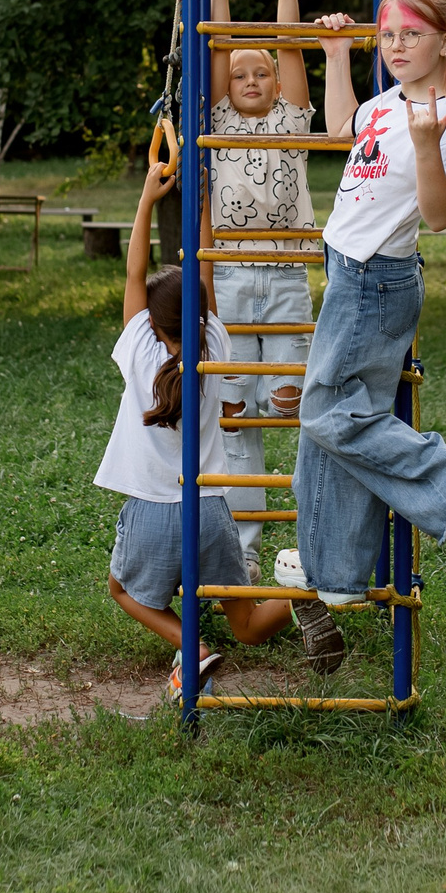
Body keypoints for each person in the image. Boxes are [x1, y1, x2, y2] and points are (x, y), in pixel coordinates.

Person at [288, 0, 446, 607]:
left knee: (326, 413)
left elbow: (439, 217)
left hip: (373, 280)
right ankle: (334, 571)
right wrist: (336, 56)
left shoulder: (445, 117)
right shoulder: (385, 103)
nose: (396, 45)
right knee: (334, 430)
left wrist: (423, 147)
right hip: (349, 272)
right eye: (387, 35)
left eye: (410, 34)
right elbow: (339, 129)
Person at [99, 161, 326, 695]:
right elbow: (204, 271)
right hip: (211, 510)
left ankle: (192, 647)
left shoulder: (137, 349)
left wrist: (146, 202)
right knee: (245, 625)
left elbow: (134, 276)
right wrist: (202, 207)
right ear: (201, 317)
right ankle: (304, 594)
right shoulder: (215, 346)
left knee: (123, 590)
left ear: (152, 325)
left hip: (153, 511)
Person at [205, 0, 316, 555]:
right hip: (229, 278)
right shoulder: (218, 119)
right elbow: (219, 43)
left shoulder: (292, 120)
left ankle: (308, 539)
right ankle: (244, 550)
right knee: (236, 421)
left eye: (262, 71)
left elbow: (290, 44)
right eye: (239, 73)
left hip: (286, 278)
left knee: (286, 404)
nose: (249, 78)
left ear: (277, 80)